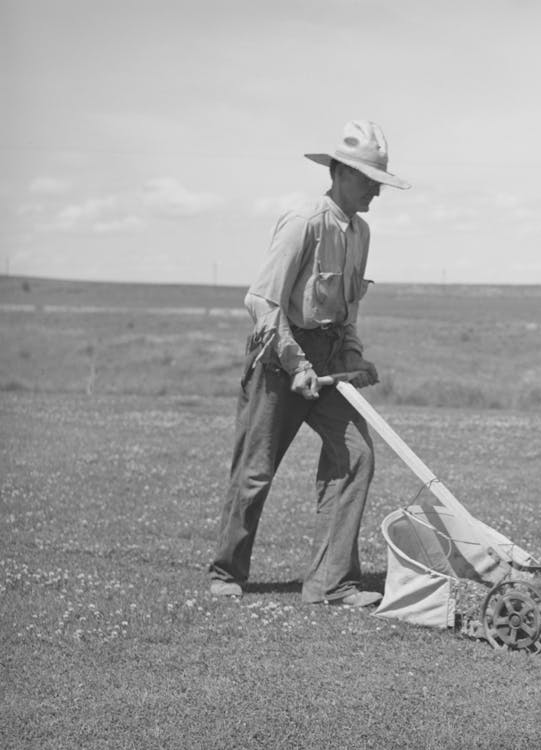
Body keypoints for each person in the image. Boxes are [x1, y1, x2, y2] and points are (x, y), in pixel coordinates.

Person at [208, 120, 410, 607]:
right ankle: (226, 570)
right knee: (256, 469)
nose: (375, 194)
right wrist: (295, 362)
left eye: (378, 183)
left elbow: (347, 309)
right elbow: (262, 301)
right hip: (280, 357)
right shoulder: (304, 221)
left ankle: (330, 582)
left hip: (327, 363)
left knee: (356, 456)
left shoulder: (361, 231)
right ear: (340, 172)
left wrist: (354, 357)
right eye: (368, 182)